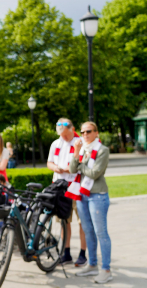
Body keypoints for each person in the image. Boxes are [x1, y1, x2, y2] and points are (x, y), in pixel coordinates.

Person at [69, 121, 112, 284]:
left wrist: (80, 165)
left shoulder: (102, 150)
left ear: (96, 133)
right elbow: (73, 169)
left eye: (88, 131)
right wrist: (77, 154)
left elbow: (94, 174)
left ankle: (106, 269)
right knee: (88, 231)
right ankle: (92, 264)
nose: (85, 134)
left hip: (97, 195)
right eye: (82, 132)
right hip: (82, 194)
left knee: (101, 233)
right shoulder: (81, 150)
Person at [47, 118, 88, 267]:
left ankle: (83, 253)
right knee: (64, 221)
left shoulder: (80, 143)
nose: (63, 137)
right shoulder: (56, 143)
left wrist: (68, 168)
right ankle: (66, 252)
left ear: (72, 129)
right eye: (61, 135)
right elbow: (49, 162)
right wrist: (56, 168)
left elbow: (79, 165)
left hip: (76, 186)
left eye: (65, 134)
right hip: (60, 186)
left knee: (81, 221)